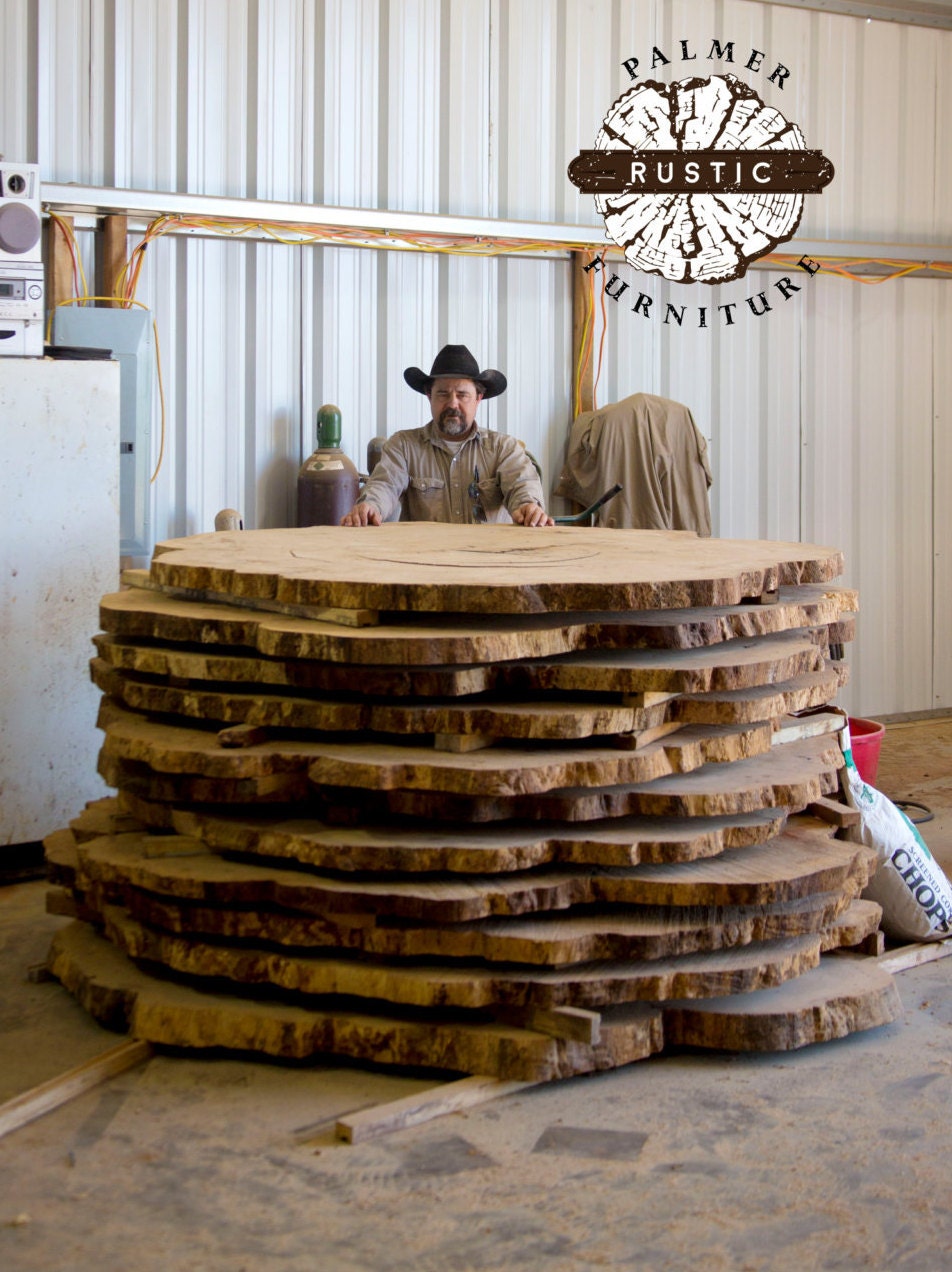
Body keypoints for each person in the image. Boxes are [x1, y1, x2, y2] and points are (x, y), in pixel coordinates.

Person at [340, 344, 554, 527]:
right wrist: (370, 506)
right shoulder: (403, 446)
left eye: (462, 395)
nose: (453, 403)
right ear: (429, 396)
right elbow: (384, 485)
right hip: (424, 562)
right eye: (443, 393)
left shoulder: (504, 448)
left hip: (489, 563)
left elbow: (522, 483)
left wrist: (529, 506)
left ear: (478, 398)